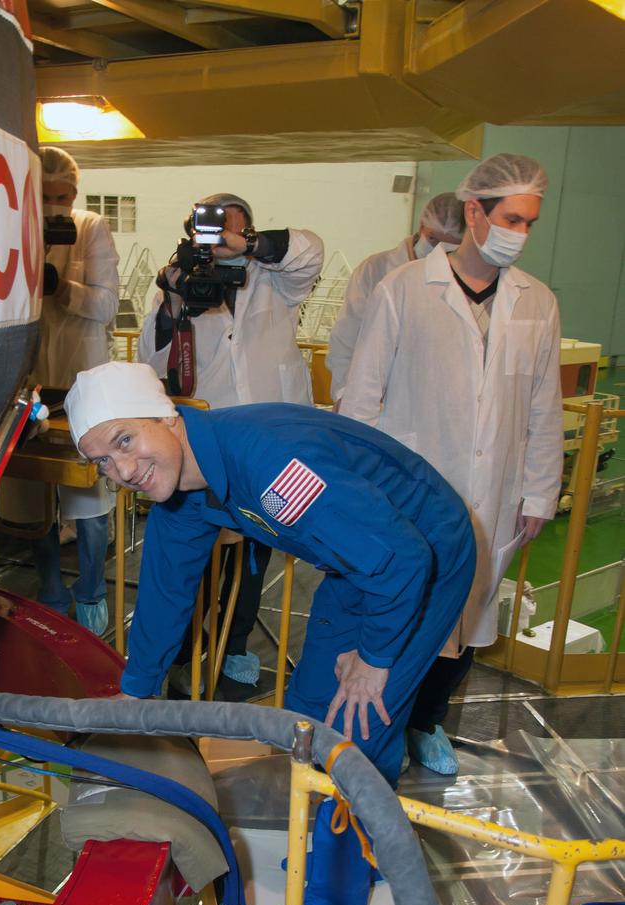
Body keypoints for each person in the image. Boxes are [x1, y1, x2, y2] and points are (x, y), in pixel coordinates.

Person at [64, 362, 476, 905]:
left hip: (421, 555)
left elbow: (402, 559)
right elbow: (164, 589)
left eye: (124, 440)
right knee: (309, 711)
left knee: (354, 724)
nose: (121, 471)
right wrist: (137, 691)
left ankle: (336, 899)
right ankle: (371, 843)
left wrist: (375, 657)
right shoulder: (187, 486)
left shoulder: (273, 465)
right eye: (102, 461)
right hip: (361, 559)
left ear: (167, 417)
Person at [340, 153, 563, 775]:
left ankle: (426, 721)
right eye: (511, 219)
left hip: (496, 490)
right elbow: (362, 397)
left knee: (470, 613)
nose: (521, 233)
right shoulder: (404, 288)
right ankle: (382, 724)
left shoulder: (537, 302)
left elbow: (544, 404)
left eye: (529, 222)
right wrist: (361, 494)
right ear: (474, 212)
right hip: (413, 487)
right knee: (406, 607)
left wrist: (539, 492)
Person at [139, 194, 324, 700]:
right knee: (200, 552)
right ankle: (183, 651)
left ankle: (236, 641)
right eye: (210, 232)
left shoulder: (276, 279)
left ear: (250, 233)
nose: (221, 242)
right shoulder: (182, 280)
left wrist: (248, 248)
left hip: (270, 436)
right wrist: (172, 300)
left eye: (233, 231)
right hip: (209, 440)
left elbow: (310, 251)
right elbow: (152, 359)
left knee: (257, 547)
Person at [25, 145, 119, 635]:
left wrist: (62, 287)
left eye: (61, 197)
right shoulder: (14, 227)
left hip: (83, 378)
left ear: (75, 195)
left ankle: (92, 592)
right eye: (43, 195)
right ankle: (50, 592)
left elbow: (107, 307)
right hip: (32, 380)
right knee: (34, 496)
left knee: (89, 497)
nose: (52, 206)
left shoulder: (91, 228)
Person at [326, 192, 464, 401]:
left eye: (449, 247)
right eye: (433, 240)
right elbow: (346, 339)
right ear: (421, 226)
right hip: (375, 397)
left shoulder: (462, 280)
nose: (438, 251)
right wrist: (345, 394)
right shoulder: (375, 269)